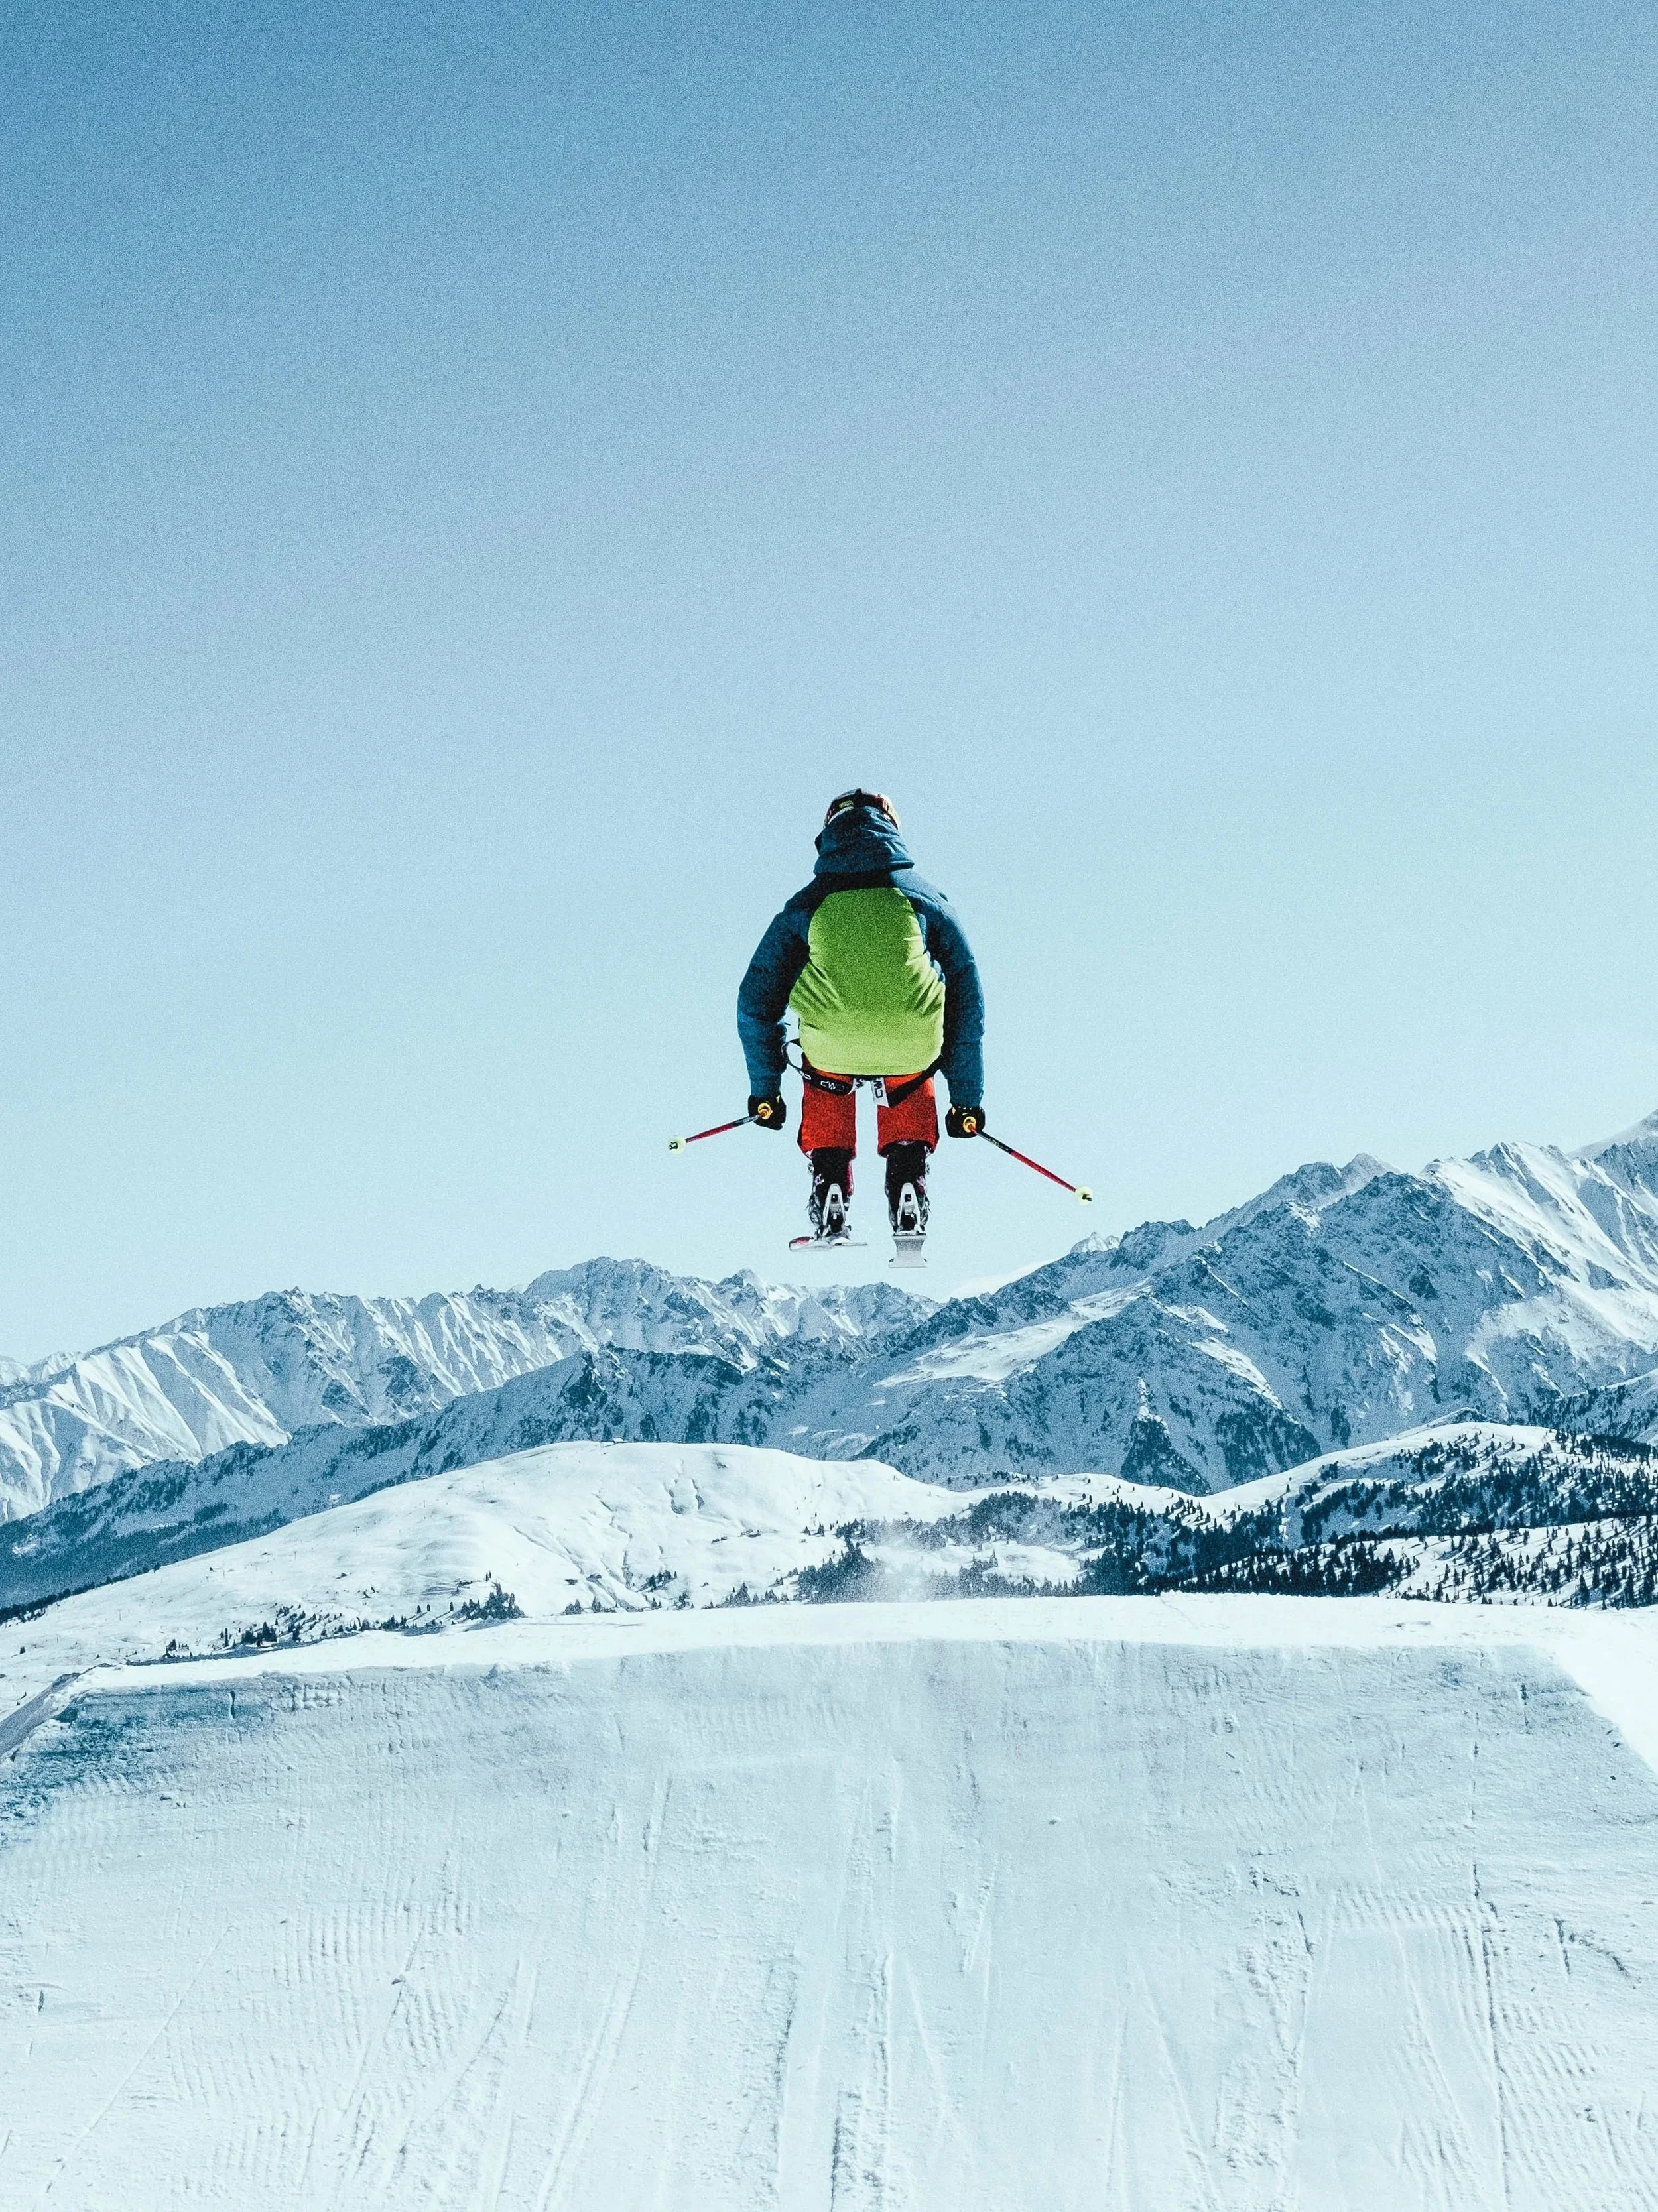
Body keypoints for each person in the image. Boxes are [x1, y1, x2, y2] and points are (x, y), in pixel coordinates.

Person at [737, 789, 986, 1241]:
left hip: (832, 1046)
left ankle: (830, 1185)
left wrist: (765, 1091)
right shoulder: (926, 899)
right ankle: (908, 1180)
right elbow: (967, 999)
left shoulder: (805, 905)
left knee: (823, 1058)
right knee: (909, 1056)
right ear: (894, 831)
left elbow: (756, 1002)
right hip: (912, 1046)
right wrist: (966, 1098)